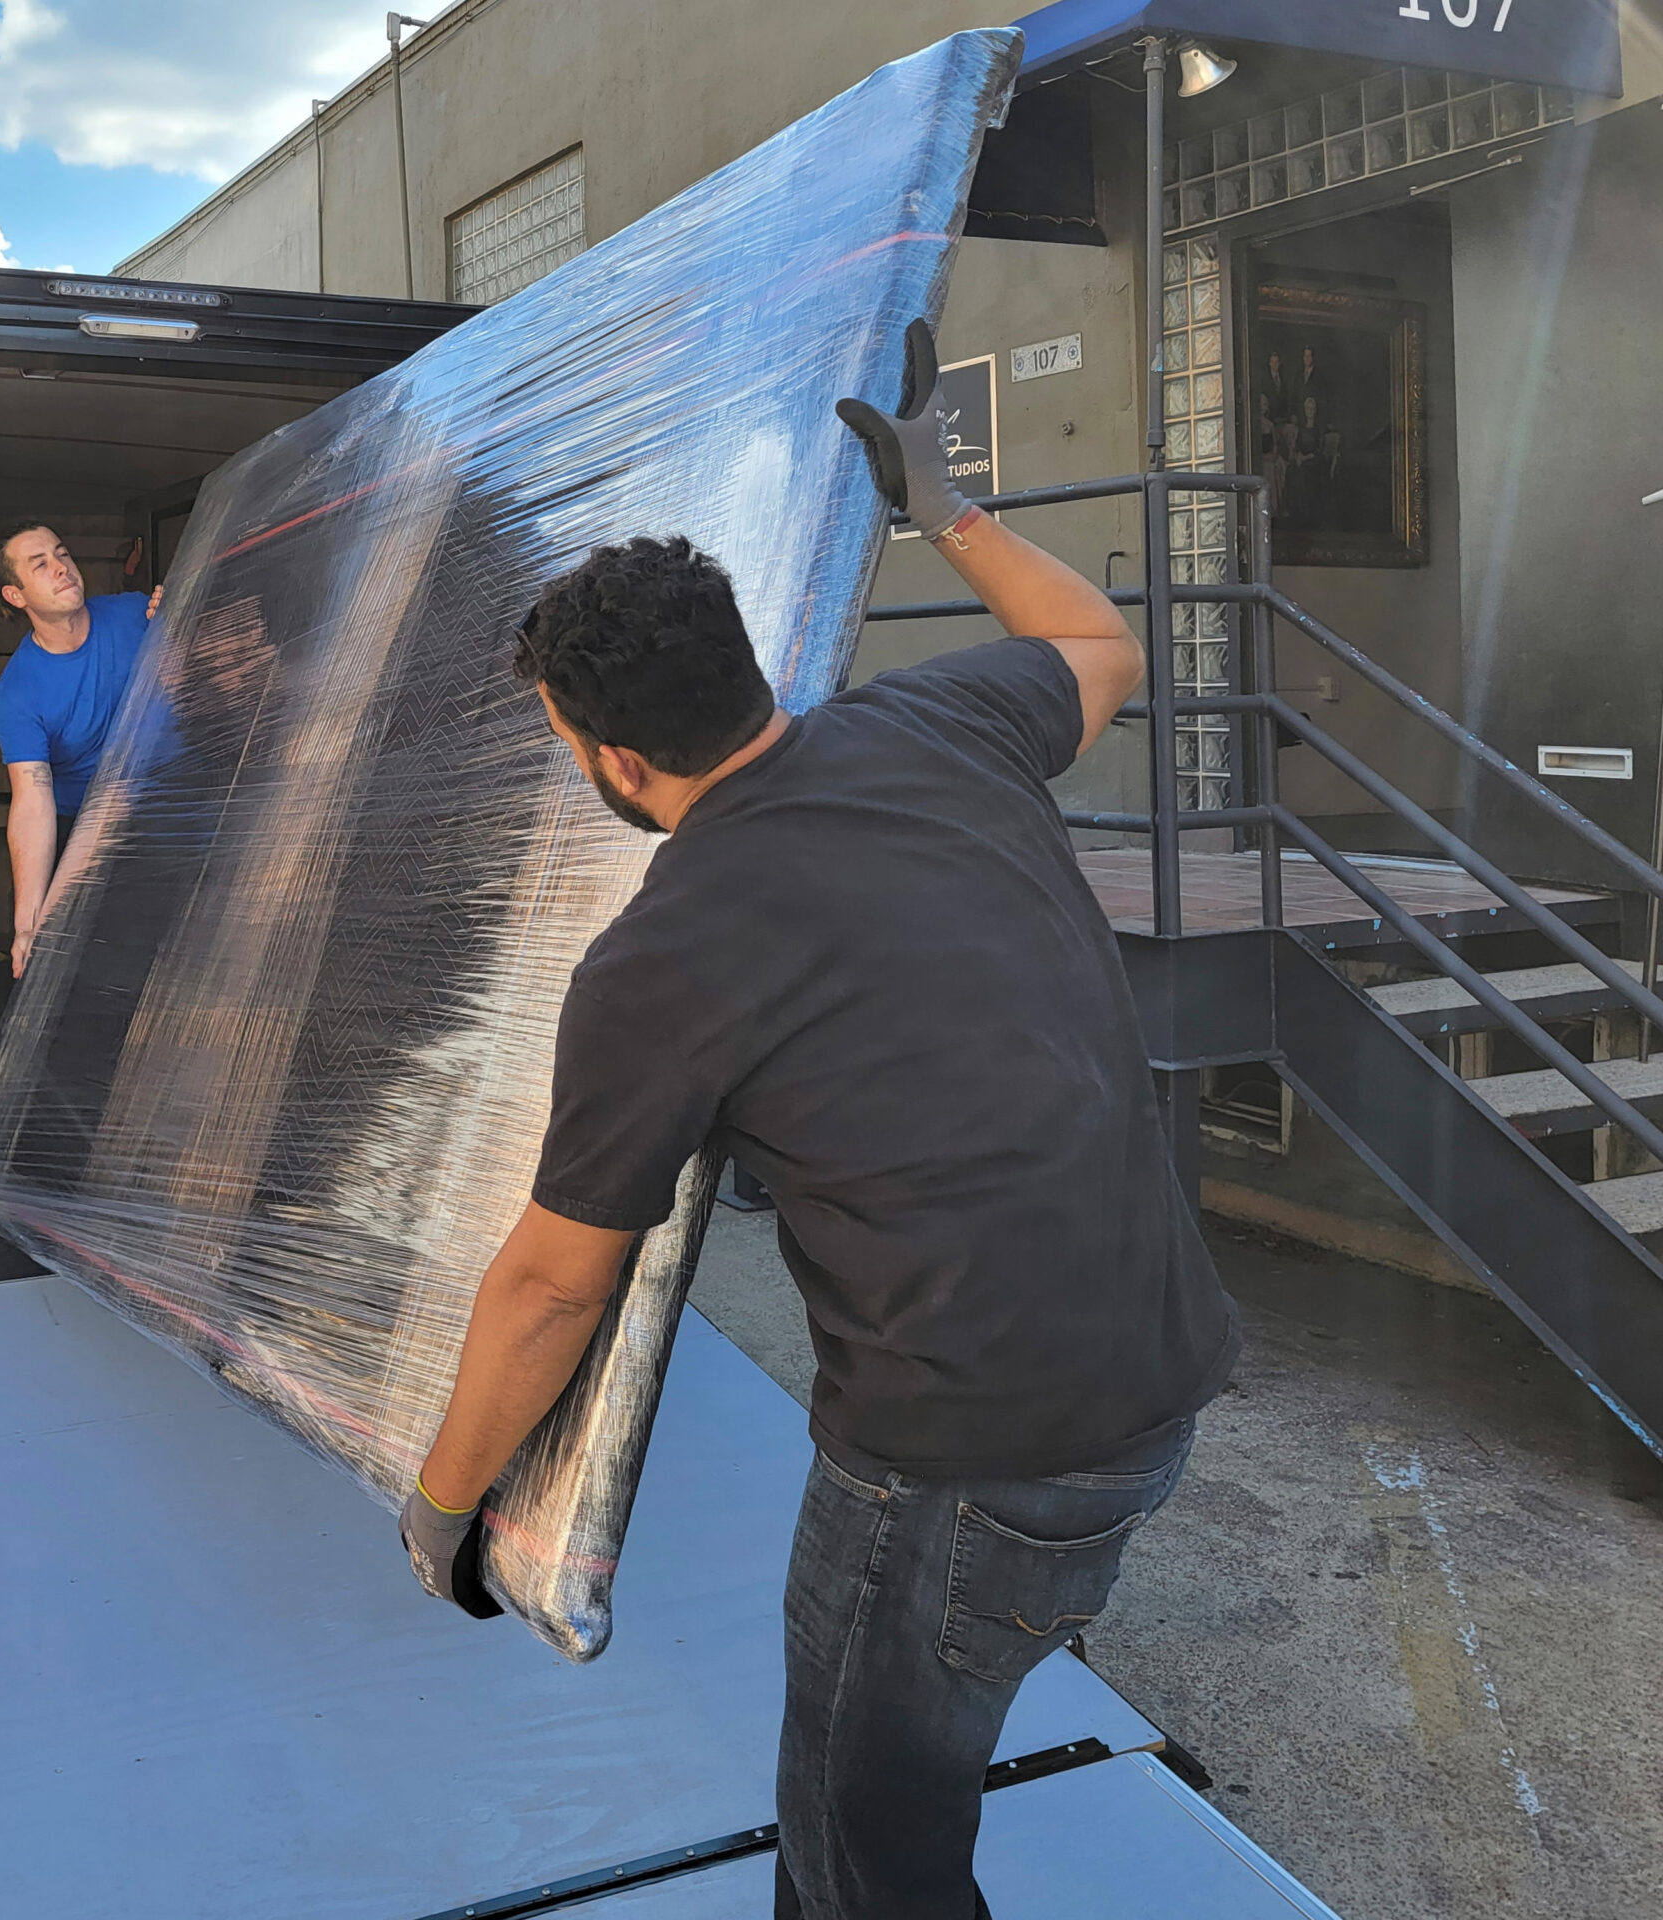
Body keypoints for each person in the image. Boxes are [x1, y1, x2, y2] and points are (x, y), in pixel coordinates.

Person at [397, 323, 1240, 1920]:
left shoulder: (661, 956)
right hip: (1161, 1380)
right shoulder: (944, 722)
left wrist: (444, 1503)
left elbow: (554, 1286)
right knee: (896, 1805)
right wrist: (948, 508)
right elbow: (1101, 645)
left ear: (614, 758)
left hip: (968, 1467)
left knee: (864, 1860)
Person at [0, 522, 163, 978]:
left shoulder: (137, 613)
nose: (61, 568)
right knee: (63, 964)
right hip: (80, 829)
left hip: (164, 810)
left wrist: (187, 610)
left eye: (62, 554)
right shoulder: (20, 690)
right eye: (40, 565)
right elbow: (32, 801)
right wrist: (26, 925)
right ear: (16, 595)